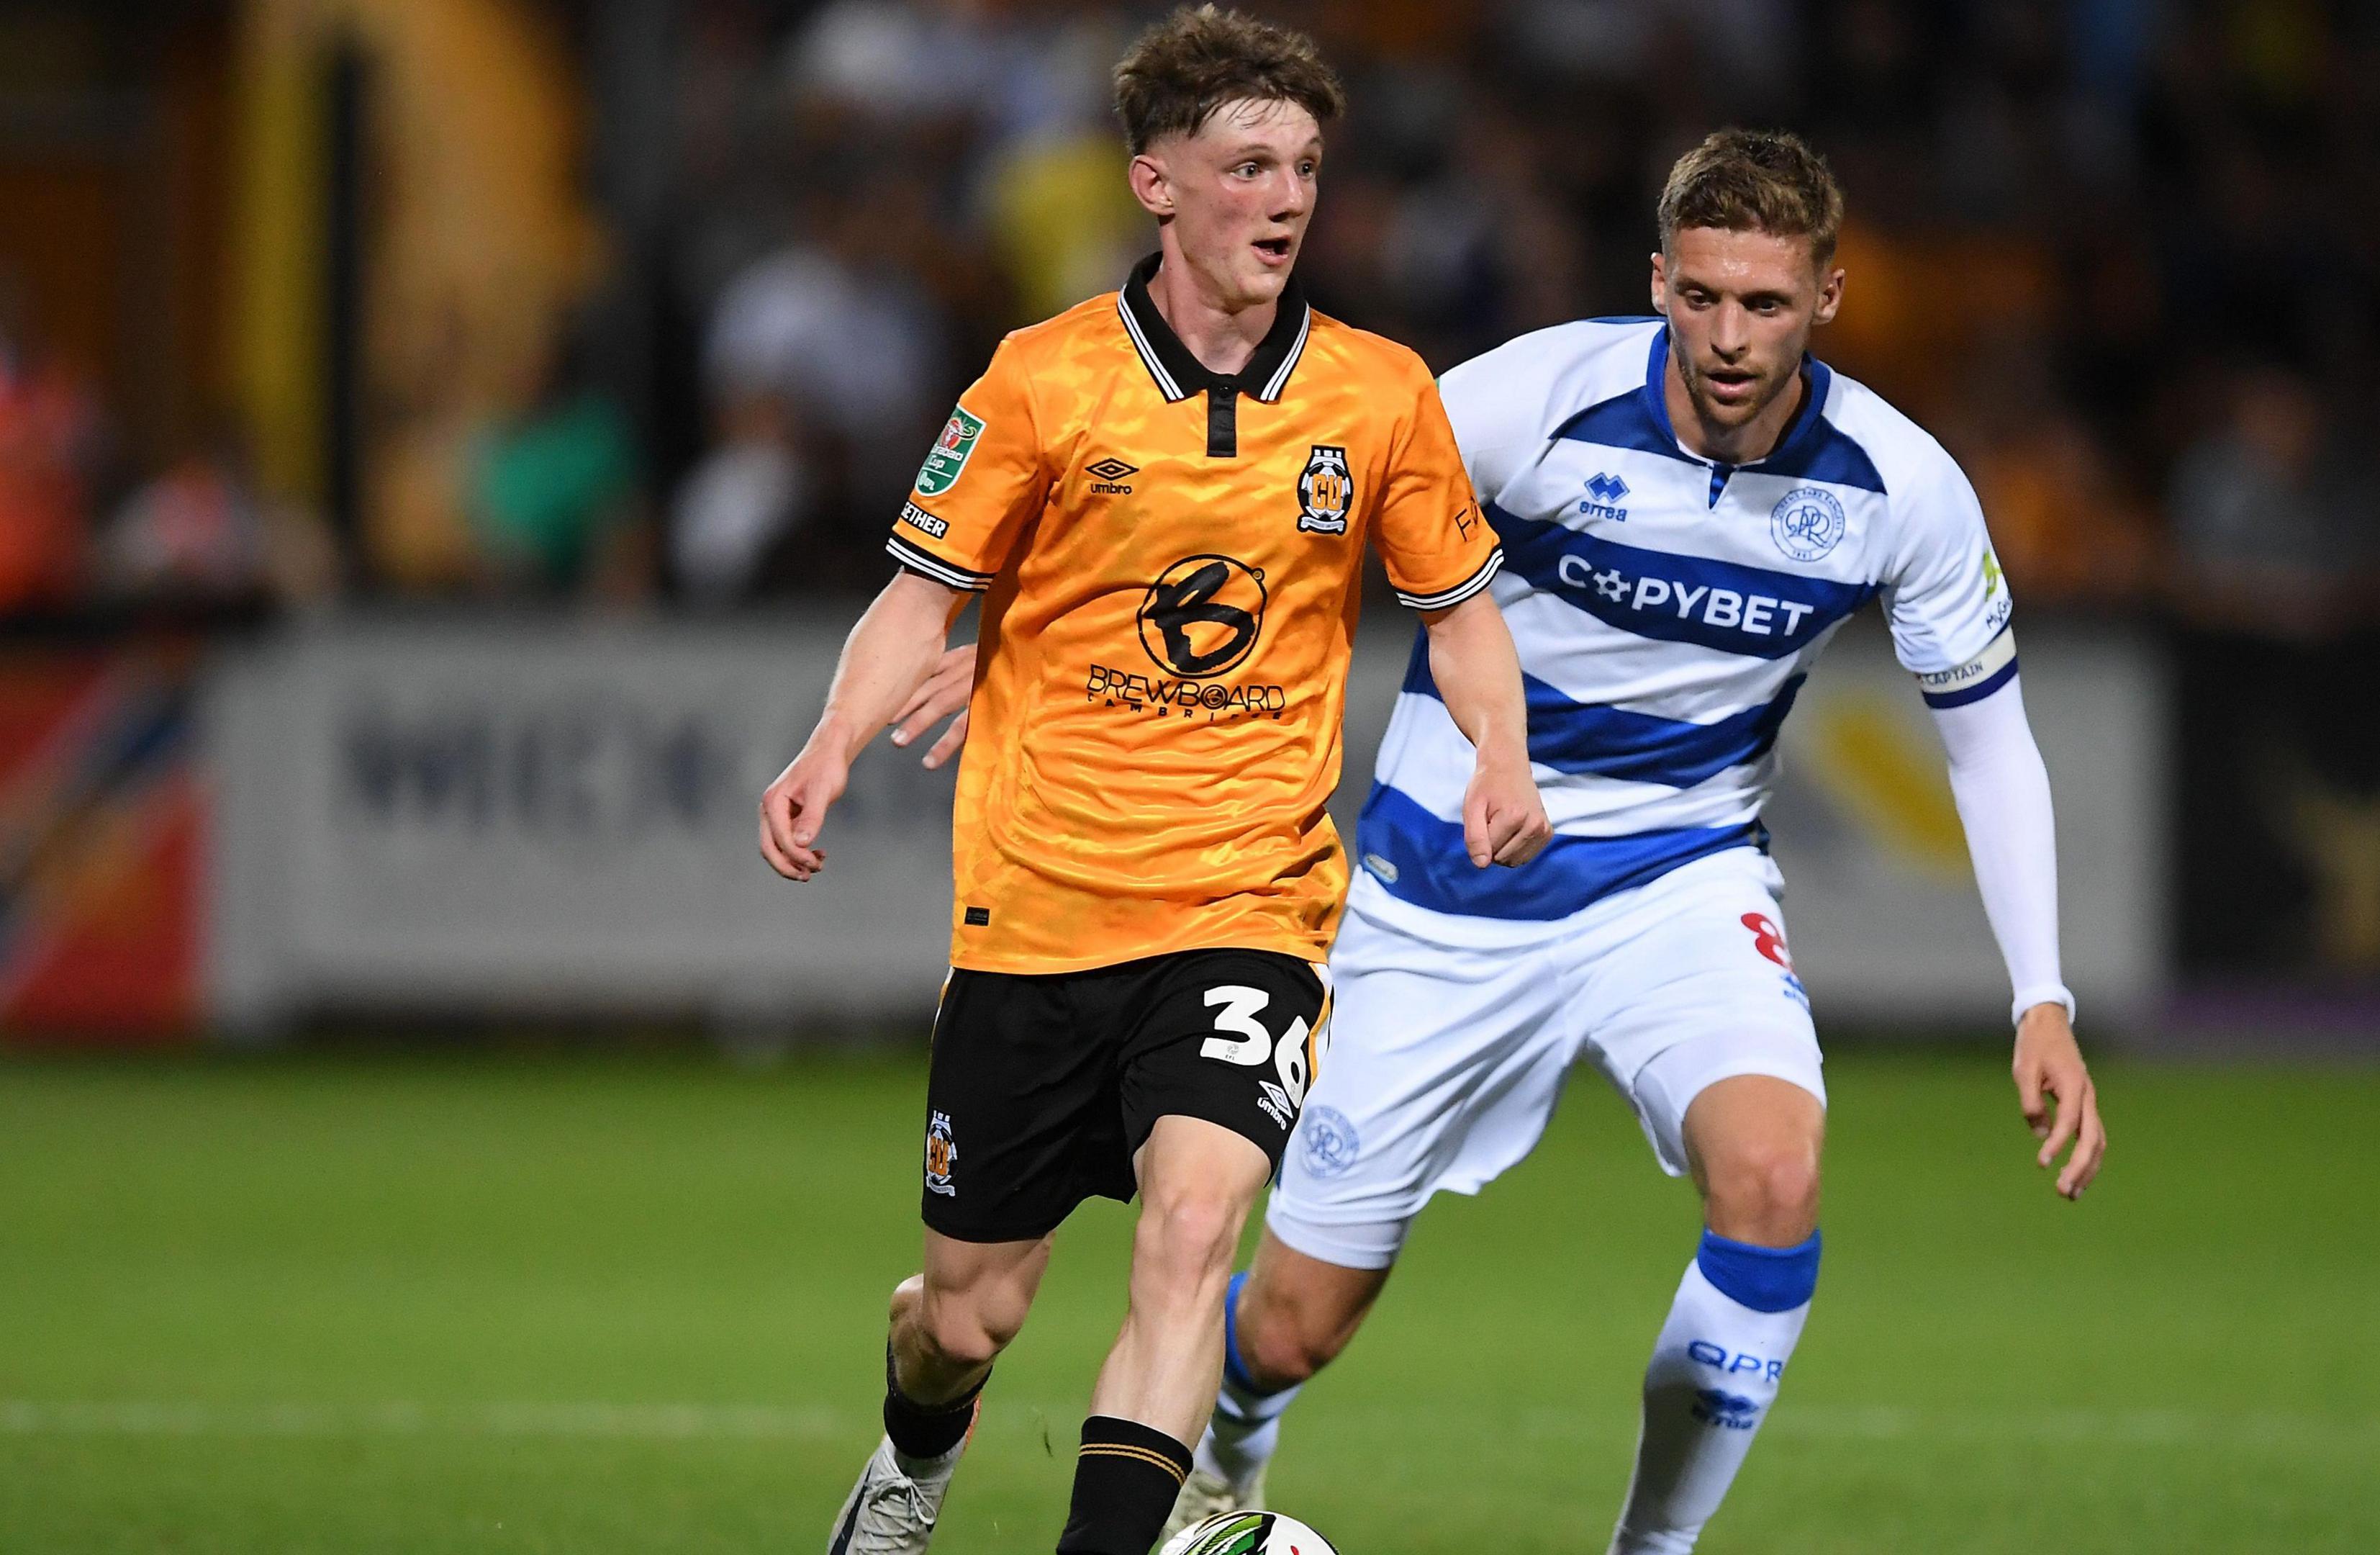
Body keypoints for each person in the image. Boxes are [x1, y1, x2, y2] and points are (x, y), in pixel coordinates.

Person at [1167, 129, 2110, 1551]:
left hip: (1681, 881)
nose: (1731, 340)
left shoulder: (1898, 489)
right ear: (1658, 280)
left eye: (1769, 306)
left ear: (1831, 299)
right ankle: (1223, 1467)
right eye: (1705, 299)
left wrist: (2041, 992)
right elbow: (1299, 511)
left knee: (1776, 1174)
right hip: (1442, 893)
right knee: (1293, 1326)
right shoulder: (1532, 403)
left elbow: (1986, 737)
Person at [754, 9, 1548, 1555]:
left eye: (1307, 165)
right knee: (967, 1319)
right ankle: (915, 1460)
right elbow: (919, 600)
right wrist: (830, 743)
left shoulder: (1382, 396)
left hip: (1248, 903)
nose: (1286, 196)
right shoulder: (1044, 382)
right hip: (1040, 907)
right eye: (1248, 163)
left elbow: (1464, 621)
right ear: (1157, 185)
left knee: (1192, 1241)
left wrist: (1504, 761)